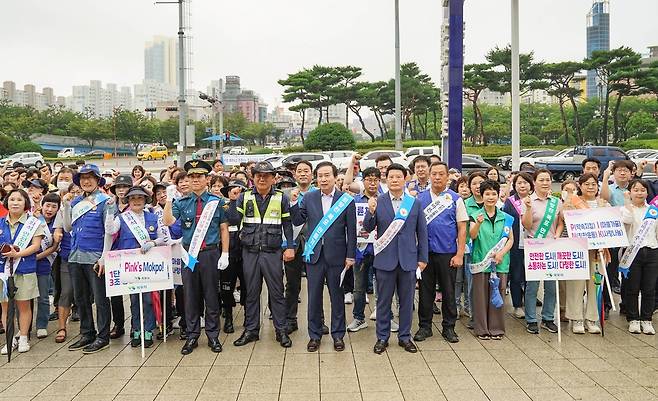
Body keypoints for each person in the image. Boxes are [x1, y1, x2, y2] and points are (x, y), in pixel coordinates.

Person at [163, 160, 229, 355]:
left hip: (210, 253)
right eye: (191, 177)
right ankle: (192, 335)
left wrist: (225, 253)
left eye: (199, 176)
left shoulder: (217, 202)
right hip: (189, 255)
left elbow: (224, 228)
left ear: (207, 179)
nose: (195, 180)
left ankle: (213, 335)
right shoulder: (182, 202)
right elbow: (168, 221)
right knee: (190, 296)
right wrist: (168, 200)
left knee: (211, 295)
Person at [227, 161, 295, 348]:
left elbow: (287, 224)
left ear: (274, 178)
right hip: (250, 252)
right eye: (258, 175)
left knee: (277, 292)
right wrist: (232, 200)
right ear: (253, 178)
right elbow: (233, 220)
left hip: (272, 252)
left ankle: (281, 330)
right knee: (251, 292)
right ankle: (251, 330)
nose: (262, 178)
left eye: (266, 175)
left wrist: (290, 246)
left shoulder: (281, 198)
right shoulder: (244, 197)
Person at [290, 161, 356, 352]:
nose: (323, 179)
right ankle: (315, 335)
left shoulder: (346, 200)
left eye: (327, 175)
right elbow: (297, 220)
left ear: (335, 177)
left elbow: (351, 231)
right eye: (320, 175)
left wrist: (350, 255)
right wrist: (294, 203)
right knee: (314, 298)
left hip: (337, 257)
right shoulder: (309, 197)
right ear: (315, 178)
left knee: (337, 298)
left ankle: (338, 335)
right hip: (314, 256)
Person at [363, 163, 428, 354]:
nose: (394, 180)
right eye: (390, 177)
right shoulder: (378, 201)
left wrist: (422, 258)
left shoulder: (414, 203)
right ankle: (382, 337)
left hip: (408, 260)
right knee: (383, 301)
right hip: (385, 260)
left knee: (407, 302)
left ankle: (405, 337)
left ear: (405, 178)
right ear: (386, 179)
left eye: (398, 177)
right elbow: (367, 228)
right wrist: (371, 211)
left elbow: (422, 233)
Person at [105, 186, 167, 348]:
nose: (136, 201)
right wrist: (110, 211)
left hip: (148, 265)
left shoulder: (153, 217)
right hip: (130, 266)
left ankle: (148, 330)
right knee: (134, 300)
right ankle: (137, 329)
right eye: (133, 198)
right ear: (128, 201)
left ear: (145, 200)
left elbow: (162, 238)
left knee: (148, 299)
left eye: (140, 198)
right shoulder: (123, 218)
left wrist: (152, 243)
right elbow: (110, 230)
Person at [61, 164, 114, 353]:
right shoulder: (75, 202)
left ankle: (103, 336)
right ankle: (87, 333)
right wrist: (65, 206)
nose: (86, 181)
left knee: (100, 299)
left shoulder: (106, 201)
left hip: (95, 256)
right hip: (75, 255)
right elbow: (67, 228)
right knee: (81, 298)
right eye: (83, 178)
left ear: (98, 180)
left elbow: (109, 232)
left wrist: (104, 258)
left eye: (91, 177)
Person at [414, 162, 467, 343]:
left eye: (441, 174)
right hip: (425, 254)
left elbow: (462, 228)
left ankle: (449, 327)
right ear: (429, 176)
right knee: (425, 292)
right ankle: (425, 326)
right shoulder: (419, 199)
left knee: (449, 291)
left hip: (448, 253)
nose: (437, 177)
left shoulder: (455, 199)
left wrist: (459, 254)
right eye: (434, 174)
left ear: (447, 177)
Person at [0, 189, 45, 354]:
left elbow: (35, 246)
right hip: (3, 271)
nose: (15, 202)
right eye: (12, 199)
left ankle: (24, 337)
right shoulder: (0, 222)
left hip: (24, 268)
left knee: (23, 304)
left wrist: (16, 254)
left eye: (19, 199)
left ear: (26, 203)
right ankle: (10, 339)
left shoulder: (33, 222)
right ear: (7, 202)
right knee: (5, 307)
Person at [469, 180, 514, 340]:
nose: (490, 197)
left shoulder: (506, 217)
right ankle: (482, 329)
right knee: (480, 297)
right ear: (482, 195)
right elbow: (472, 236)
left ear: (498, 195)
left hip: (500, 262)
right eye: (487, 193)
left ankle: (496, 329)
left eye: (493, 193)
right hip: (481, 261)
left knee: (498, 294)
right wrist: (478, 224)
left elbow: (510, 240)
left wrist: (501, 253)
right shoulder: (475, 216)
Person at [521, 169, 564, 335]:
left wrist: (558, 235)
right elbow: (526, 224)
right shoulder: (527, 201)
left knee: (551, 287)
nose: (545, 183)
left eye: (548, 180)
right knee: (532, 287)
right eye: (542, 180)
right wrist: (528, 208)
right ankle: (531, 319)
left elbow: (560, 223)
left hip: (552, 247)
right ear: (534, 182)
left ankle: (548, 318)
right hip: (534, 247)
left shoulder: (556, 202)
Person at [563, 173, 606, 334]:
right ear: (580, 186)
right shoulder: (574, 202)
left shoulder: (603, 203)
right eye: (586, 184)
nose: (590, 187)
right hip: (578, 250)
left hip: (598, 251)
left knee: (595, 285)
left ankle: (592, 318)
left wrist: (605, 244)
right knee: (576, 285)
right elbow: (564, 216)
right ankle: (576, 318)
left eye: (593, 184)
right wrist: (569, 196)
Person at [620, 179, 658, 335]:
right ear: (630, 192)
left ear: (647, 192)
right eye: (636, 189)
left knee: (649, 288)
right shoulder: (625, 209)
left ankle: (647, 319)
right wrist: (627, 201)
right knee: (632, 288)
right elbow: (627, 221)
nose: (640, 192)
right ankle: (633, 319)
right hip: (632, 252)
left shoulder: (653, 211)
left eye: (643, 190)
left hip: (652, 251)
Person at [284, 160, 316, 334]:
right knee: (292, 284)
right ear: (294, 174)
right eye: (300, 171)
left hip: (314, 244)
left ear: (312, 175)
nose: (303, 174)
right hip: (293, 244)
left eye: (306, 171)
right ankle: (290, 319)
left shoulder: (319, 193)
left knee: (316, 283)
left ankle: (319, 320)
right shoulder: (286, 194)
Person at [347, 167, 381, 333]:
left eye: (376, 179)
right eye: (369, 179)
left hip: (381, 249)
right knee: (359, 287)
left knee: (382, 285)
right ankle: (359, 318)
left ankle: (385, 316)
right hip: (360, 250)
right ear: (363, 181)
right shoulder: (354, 201)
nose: (372, 183)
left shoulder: (384, 200)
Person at [502, 172, 533, 319]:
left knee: (530, 276)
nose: (522, 185)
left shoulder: (535, 200)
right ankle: (517, 304)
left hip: (533, 244)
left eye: (525, 182)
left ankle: (530, 303)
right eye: (519, 183)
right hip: (516, 244)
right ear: (514, 185)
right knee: (516, 274)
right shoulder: (509, 202)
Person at [219, 180, 248, 334]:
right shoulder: (223, 207)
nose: (234, 192)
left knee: (247, 285)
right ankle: (228, 317)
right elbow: (230, 219)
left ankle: (248, 316)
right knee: (226, 287)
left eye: (238, 190)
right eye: (231, 190)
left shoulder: (248, 205)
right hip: (228, 252)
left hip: (245, 252)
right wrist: (233, 202)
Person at [107, 174, 133, 340]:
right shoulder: (109, 206)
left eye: (124, 187)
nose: (121, 190)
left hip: (132, 253)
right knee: (115, 292)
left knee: (134, 290)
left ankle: (136, 323)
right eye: (118, 187)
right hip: (114, 254)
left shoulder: (138, 206)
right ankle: (118, 323)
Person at [34, 193, 62, 339]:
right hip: (27, 263)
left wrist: (37, 257)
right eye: (47, 205)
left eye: (54, 206)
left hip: (44, 263)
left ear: (58, 209)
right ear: (42, 205)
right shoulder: (33, 220)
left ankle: (41, 325)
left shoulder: (58, 224)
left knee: (43, 297)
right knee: (24, 298)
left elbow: (54, 247)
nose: (49, 209)